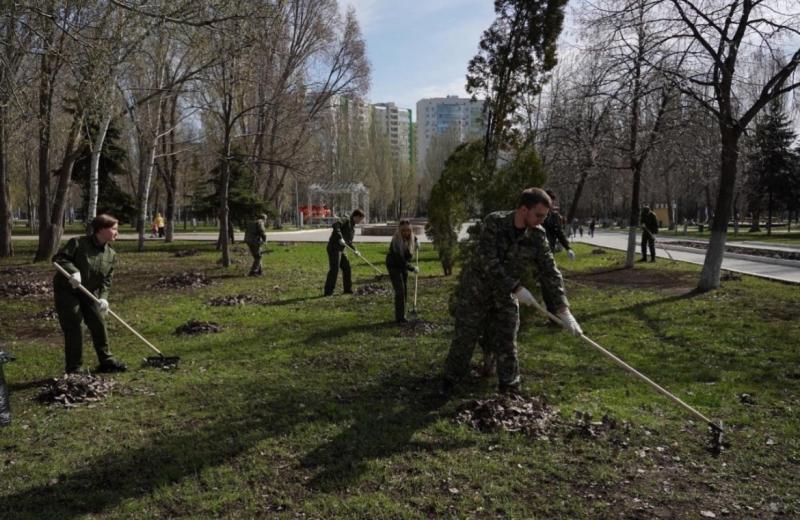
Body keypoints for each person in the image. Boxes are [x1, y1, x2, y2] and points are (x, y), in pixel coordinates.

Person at [441, 188, 582, 396]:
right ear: (524, 209)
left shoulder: (537, 235)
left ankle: (510, 390)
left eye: (545, 217)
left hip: (506, 295)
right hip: (477, 291)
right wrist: (516, 287)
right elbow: (487, 260)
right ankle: (449, 382)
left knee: (508, 340)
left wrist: (564, 310)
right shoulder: (494, 223)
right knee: (465, 337)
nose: (541, 221)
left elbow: (550, 271)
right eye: (539, 215)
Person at [52, 214, 126, 374]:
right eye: (113, 229)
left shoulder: (111, 254)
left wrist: (104, 298)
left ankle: (106, 361)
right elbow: (59, 259)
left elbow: (107, 280)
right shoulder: (78, 243)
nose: (116, 232)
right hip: (68, 291)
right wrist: (74, 272)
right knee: (75, 325)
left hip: (88, 293)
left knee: (99, 323)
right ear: (100, 230)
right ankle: (74, 368)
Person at [324, 209, 365, 296]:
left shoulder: (352, 228)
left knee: (347, 268)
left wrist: (355, 250)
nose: (360, 221)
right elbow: (336, 225)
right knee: (334, 269)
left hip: (342, 249)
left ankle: (347, 289)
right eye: (360, 219)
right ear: (356, 216)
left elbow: (349, 242)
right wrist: (340, 237)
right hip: (334, 248)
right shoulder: (346, 219)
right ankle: (328, 291)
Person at [385, 219, 419, 323]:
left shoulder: (411, 238)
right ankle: (399, 318)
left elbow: (414, 240)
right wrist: (412, 268)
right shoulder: (395, 241)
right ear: (399, 230)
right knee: (400, 291)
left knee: (404, 290)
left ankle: (402, 314)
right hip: (394, 266)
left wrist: (417, 242)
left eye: (408, 230)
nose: (406, 232)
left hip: (403, 267)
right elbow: (400, 260)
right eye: (403, 230)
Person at [542, 190, 574, 259]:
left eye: (552, 202)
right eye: (550, 202)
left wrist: (568, 248)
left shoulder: (554, 216)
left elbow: (559, 233)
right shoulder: (536, 215)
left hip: (549, 250)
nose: (552, 204)